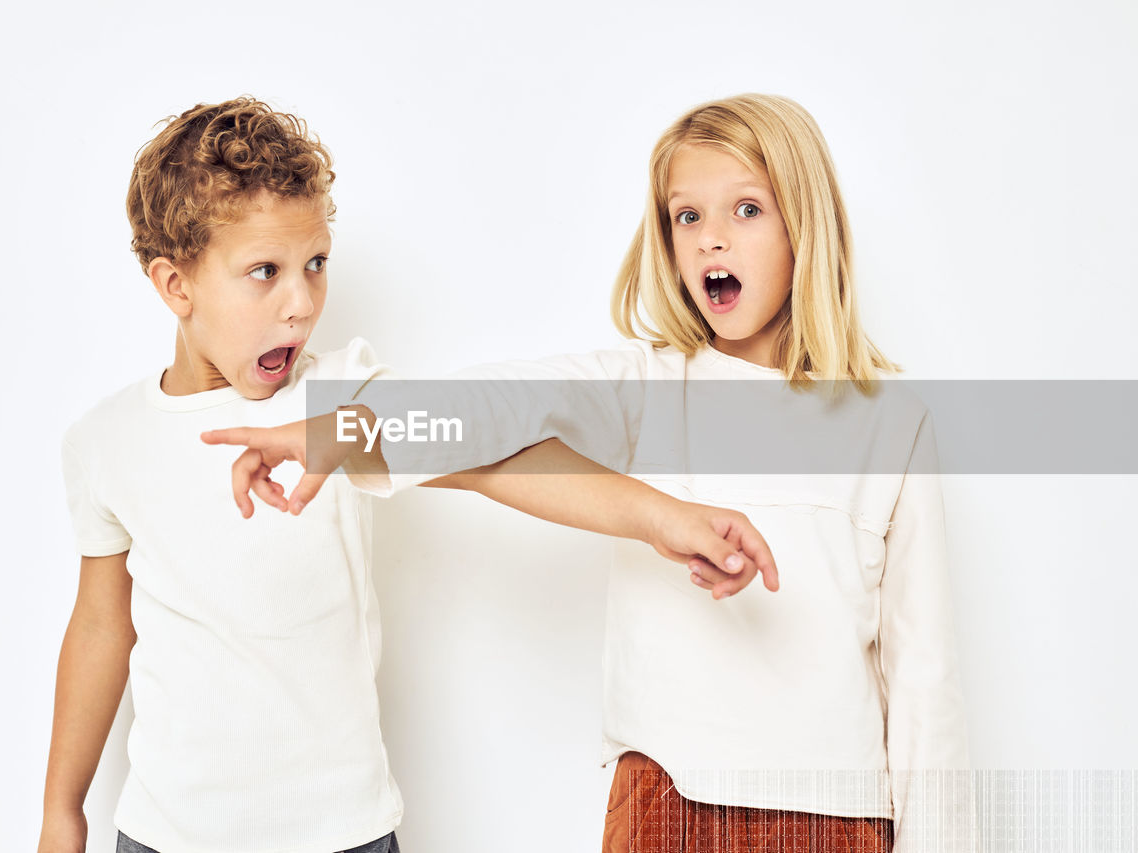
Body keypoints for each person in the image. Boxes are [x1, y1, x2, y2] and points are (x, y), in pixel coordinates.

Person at [204, 94, 972, 852]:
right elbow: (490, 408)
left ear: (805, 226)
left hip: (834, 816)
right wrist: (340, 432)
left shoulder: (892, 427)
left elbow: (924, 684)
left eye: (746, 210)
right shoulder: (646, 387)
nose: (711, 241)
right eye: (687, 216)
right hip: (667, 798)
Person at [39, 96, 780, 853]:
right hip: (167, 834)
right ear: (175, 284)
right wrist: (62, 810)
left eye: (316, 264)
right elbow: (101, 625)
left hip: (343, 833)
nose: (301, 304)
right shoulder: (106, 442)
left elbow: (495, 460)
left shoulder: (343, 400)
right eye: (265, 271)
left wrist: (660, 515)